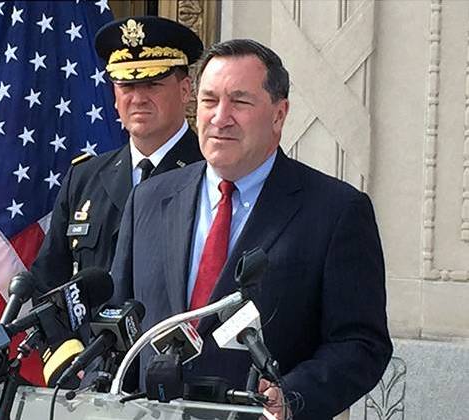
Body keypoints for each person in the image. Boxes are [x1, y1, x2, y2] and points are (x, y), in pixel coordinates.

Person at [109, 39, 392, 419]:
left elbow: (361, 343)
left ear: (279, 114)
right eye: (209, 100)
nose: (220, 117)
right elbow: (116, 320)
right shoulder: (149, 199)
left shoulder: (335, 210)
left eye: (239, 102)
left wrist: (290, 396)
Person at [31, 16, 205, 293]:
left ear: (185, 90)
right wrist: (66, 338)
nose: (138, 98)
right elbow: (48, 281)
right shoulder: (85, 177)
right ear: (114, 95)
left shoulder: (211, 170)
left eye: (153, 85)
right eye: (127, 86)